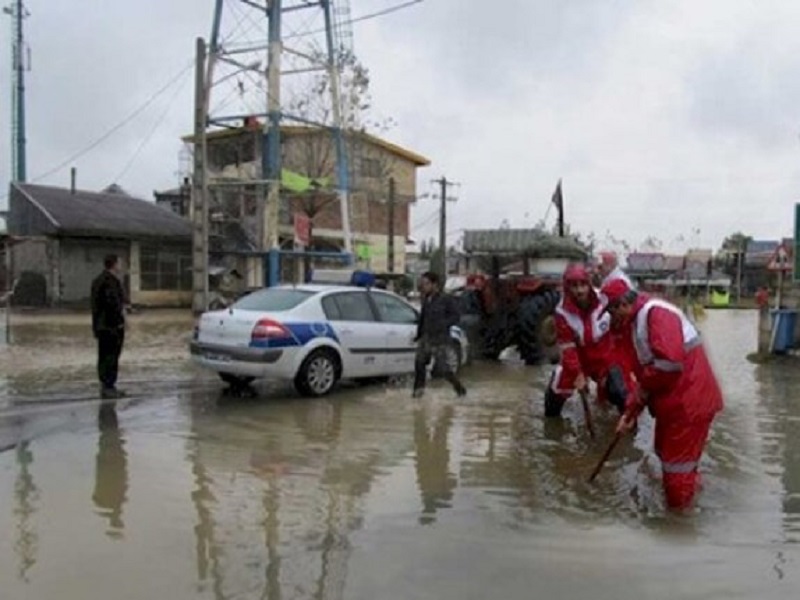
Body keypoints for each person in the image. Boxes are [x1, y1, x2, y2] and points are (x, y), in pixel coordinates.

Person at [601, 278, 724, 511]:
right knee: (665, 456)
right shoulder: (638, 322)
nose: (612, 320)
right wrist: (630, 412)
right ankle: (692, 492)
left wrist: (637, 400)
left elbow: (669, 364)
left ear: (620, 306)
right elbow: (645, 379)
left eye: (611, 313)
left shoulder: (656, 314)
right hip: (675, 402)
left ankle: (679, 527)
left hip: (689, 403)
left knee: (676, 476)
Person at [545, 263, 630, 417]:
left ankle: (628, 426)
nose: (579, 290)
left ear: (589, 284)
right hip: (578, 359)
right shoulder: (561, 313)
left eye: (583, 284)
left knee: (621, 392)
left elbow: (621, 326)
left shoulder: (604, 299)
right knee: (553, 398)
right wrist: (577, 374)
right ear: (567, 287)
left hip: (605, 358)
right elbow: (567, 348)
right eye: (574, 286)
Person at [413, 271, 467, 398]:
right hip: (426, 337)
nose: (423, 286)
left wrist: (443, 324)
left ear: (434, 285)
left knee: (443, 369)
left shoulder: (445, 299)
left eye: (426, 284)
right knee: (419, 364)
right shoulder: (426, 299)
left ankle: (459, 389)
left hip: (440, 339)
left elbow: (456, 316)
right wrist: (418, 335)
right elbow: (423, 318)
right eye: (423, 284)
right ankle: (418, 393)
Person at [91, 254, 127, 399]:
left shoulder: (98, 280)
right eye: (120, 263)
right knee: (111, 356)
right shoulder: (109, 282)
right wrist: (120, 320)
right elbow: (112, 305)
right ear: (114, 264)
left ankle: (106, 386)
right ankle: (109, 387)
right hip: (111, 326)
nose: (121, 265)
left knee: (104, 356)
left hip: (101, 325)